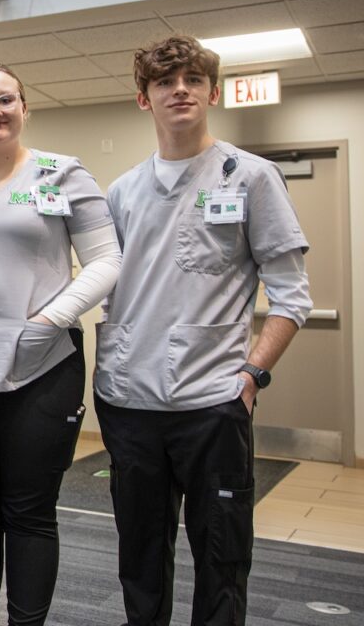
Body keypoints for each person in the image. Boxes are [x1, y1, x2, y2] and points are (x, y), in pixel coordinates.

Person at [95, 35, 311, 625]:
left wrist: (251, 373)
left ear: (212, 92)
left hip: (213, 403)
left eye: (192, 80)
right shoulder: (123, 192)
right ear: (145, 99)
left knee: (222, 558)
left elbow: (293, 297)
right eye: (165, 82)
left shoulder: (253, 178)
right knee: (139, 555)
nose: (180, 90)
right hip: (130, 400)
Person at [0, 62, 122, 626]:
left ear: (24, 107)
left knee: (30, 514)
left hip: (41, 361)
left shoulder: (62, 174)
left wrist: (49, 318)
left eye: (5, 99)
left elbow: (107, 259)